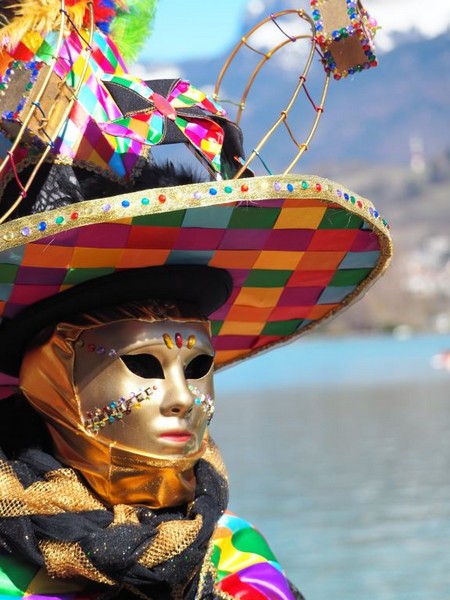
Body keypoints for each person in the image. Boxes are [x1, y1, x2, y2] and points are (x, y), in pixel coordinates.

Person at [0, 1, 392, 598]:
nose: (183, 399)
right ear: (43, 375)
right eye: (142, 364)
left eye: (198, 364)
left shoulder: (236, 560)